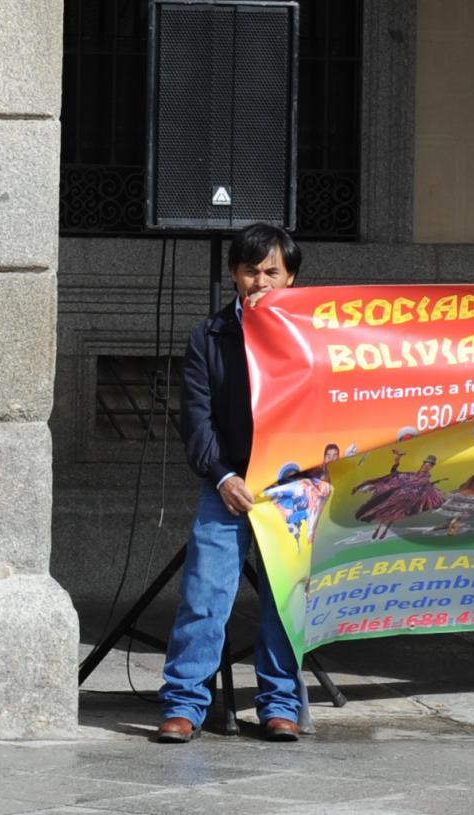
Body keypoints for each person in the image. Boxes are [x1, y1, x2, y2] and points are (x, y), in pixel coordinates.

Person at [157, 223, 304, 743]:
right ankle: (184, 705)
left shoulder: (315, 336)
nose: (260, 282)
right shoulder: (209, 335)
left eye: (272, 272)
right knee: (205, 596)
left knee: (285, 601)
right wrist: (222, 475)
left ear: (290, 278)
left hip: (292, 488)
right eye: (250, 271)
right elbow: (196, 419)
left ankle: (280, 705)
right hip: (228, 484)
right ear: (234, 275)